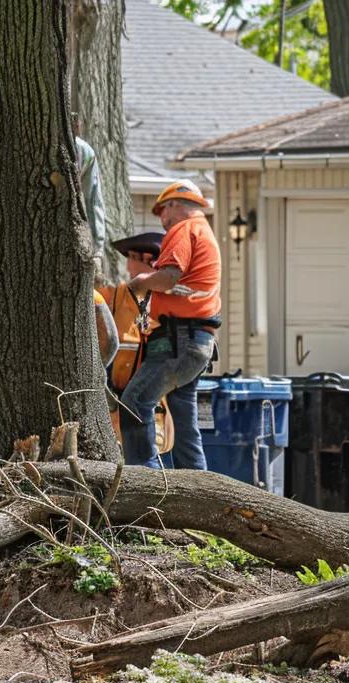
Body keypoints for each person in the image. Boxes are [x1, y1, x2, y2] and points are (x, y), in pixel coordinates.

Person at [119, 181, 221, 469]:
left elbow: (168, 276)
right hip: (197, 342)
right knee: (185, 424)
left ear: (175, 205)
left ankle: (145, 480)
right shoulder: (205, 233)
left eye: (162, 211)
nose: (162, 220)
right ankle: (198, 490)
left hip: (179, 340)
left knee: (135, 401)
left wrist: (140, 283)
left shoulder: (184, 229)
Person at [73, 115, 109, 263]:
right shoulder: (83, 149)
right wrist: (97, 250)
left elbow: (92, 199)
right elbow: (92, 200)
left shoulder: (83, 151)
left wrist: (97, 250)